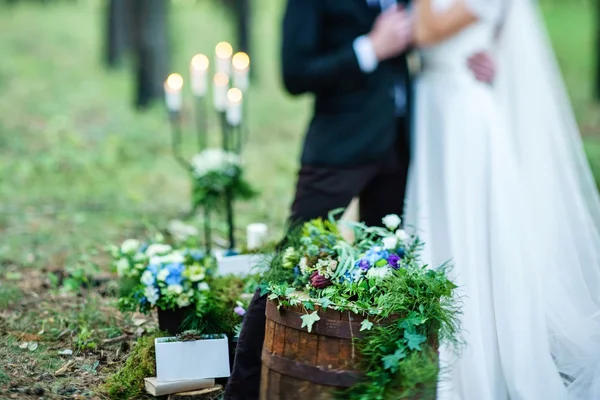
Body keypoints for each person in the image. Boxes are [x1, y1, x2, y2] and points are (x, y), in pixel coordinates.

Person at [223, 1, 494, 399]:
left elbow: (428, 33)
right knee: (292, 260)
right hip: (340, 148)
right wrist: (368, 48)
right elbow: (294, 73)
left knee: (388, 270)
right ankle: (243, 388)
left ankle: (370, 384)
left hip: (402, 146)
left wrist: (475, 56)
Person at [404, 0, 600, 398]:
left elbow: (425, 33)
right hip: (433, 105)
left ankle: (475, 362)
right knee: (438, 228)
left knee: (468, 233)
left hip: (463, 114)